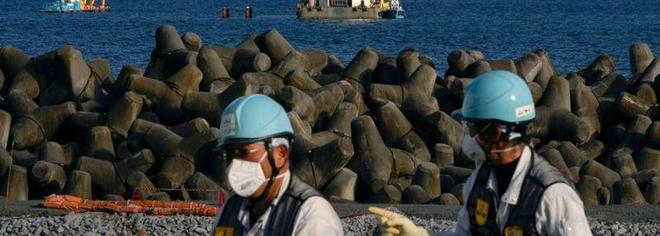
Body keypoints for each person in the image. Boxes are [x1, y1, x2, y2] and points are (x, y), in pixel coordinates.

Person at [372, 70, 591, 236]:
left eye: (471, 128)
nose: (466, 135)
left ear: (493, 132)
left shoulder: (552, 195)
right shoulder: (480, 181)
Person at [211, 94, 343, 236]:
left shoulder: (310, 215)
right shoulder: (230, 210)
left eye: (243, 153)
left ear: (281, 153)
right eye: (228, 155)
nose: (234, 165)